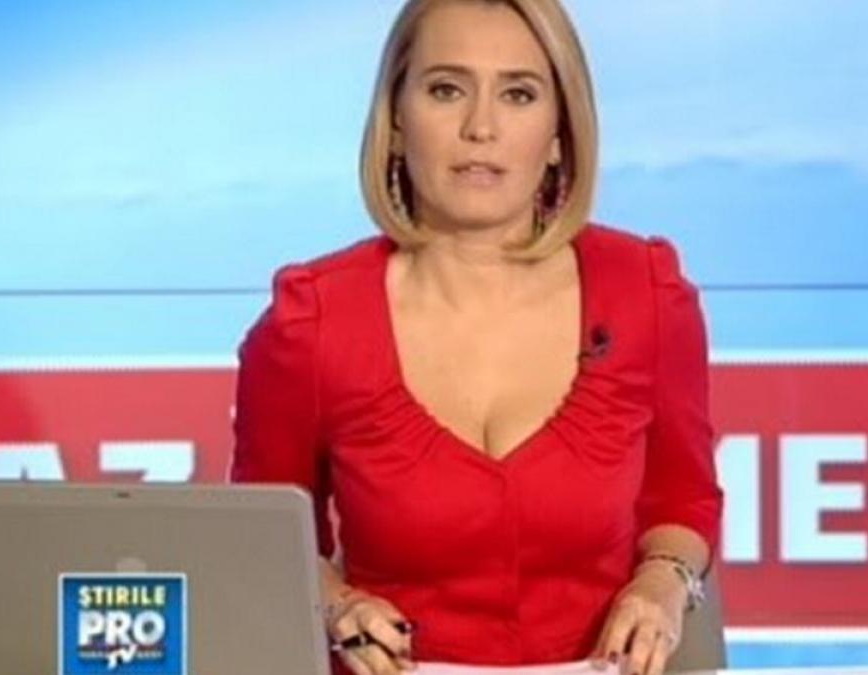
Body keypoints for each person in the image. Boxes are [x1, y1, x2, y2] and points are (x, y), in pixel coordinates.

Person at [230, 1, 724, 674]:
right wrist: (339, 607)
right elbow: (269, 542)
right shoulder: (308, 323)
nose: (481, 128)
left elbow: (684, 499)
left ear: (560, 133)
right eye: (446, 90)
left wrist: (662, 583)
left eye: (518, 94)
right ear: (396, 121)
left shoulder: (647, 293)